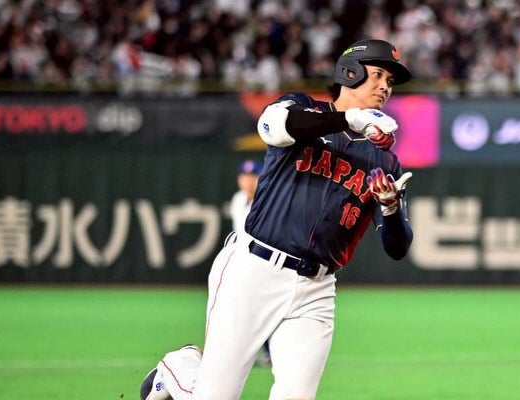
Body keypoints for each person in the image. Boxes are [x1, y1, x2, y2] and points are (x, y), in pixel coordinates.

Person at [139, 38, 414, 400]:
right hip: (255, 271)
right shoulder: (302, 108)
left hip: (316, 288)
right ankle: (180, 369)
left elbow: (397, 247)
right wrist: (349, 119)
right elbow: (271, 125)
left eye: (390, 82)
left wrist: (391, 207)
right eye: (377, 74)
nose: (384, 87)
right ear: (350, 72)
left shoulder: (385, 162)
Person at [229, 159, 273, 367]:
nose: (248, 181)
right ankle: (249, 351)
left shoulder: (268, 199)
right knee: (244, 309)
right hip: (243, 262)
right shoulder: (238, 199)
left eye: (253, 176)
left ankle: (271, 352)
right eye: (244, 176)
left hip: (265, 263)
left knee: (264, 310)